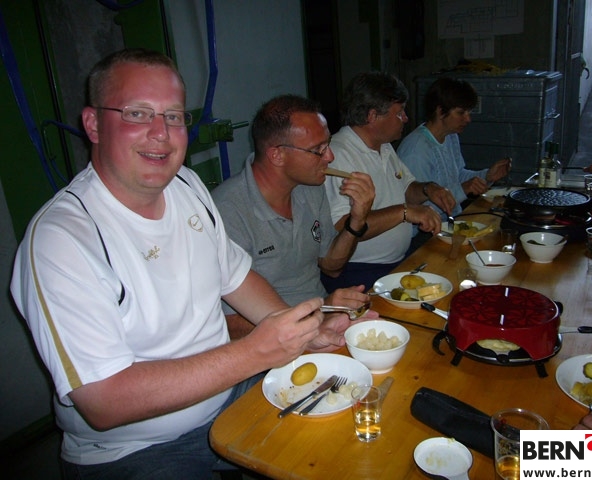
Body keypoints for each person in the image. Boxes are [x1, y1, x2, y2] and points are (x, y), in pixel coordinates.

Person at [10, 48, 353, 479]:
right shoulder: (62, 239)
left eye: (173, 116)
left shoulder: (186, 185)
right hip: (135, 452)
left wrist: (304, 332)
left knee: (345, 436)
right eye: (138, 114)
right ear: (93, 124)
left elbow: (238, 279)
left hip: (227, 396)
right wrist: (255, 352)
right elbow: (103, 402)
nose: (161, 133)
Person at [211, 94, 376, 335]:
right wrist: (318, 314)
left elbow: (331, 266)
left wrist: (357, 219)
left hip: (319, 321)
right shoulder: (226, 212)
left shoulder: (310, 188)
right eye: (318, 150)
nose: (330, 157)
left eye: (328, 144)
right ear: (277, 155)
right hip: (270, 343)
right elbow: (226, 322)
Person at [322, 71, 456, 292]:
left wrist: (428, 189)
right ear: (372, 116)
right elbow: (342, 226)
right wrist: (404, 212)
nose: (406, 118)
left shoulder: (383, 146)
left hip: (395, 262)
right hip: (357, 272)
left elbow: (407, 189)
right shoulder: (337, 154)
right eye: (399, 112)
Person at [397, 76, 511, 222]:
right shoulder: (416, 150)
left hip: (451, 220)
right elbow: (419, 208)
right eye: (461, 113)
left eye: (469, 112)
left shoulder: (451, 135)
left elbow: (457, 175)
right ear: (440, 111)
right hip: (425, 229)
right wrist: (463, 189)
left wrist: (486, 176)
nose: (468, 119)